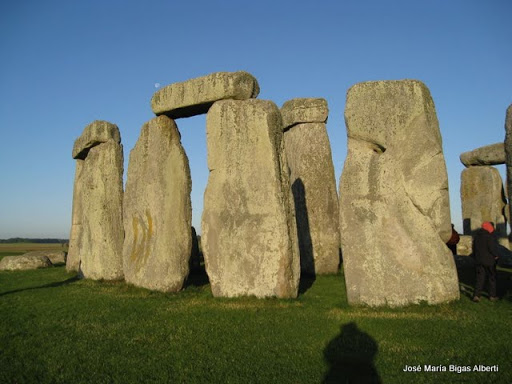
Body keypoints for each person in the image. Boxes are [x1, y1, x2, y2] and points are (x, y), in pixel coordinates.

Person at [471, 221, 500, 302]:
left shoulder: (476, 237)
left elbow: (474, 249)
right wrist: (496, 255)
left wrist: (475, 257)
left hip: (479, 260)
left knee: (480, 278)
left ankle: (476, 295)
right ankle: (492, 296)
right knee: (492, 278)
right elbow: (492, 249)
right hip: (489, 261)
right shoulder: (489, 237)